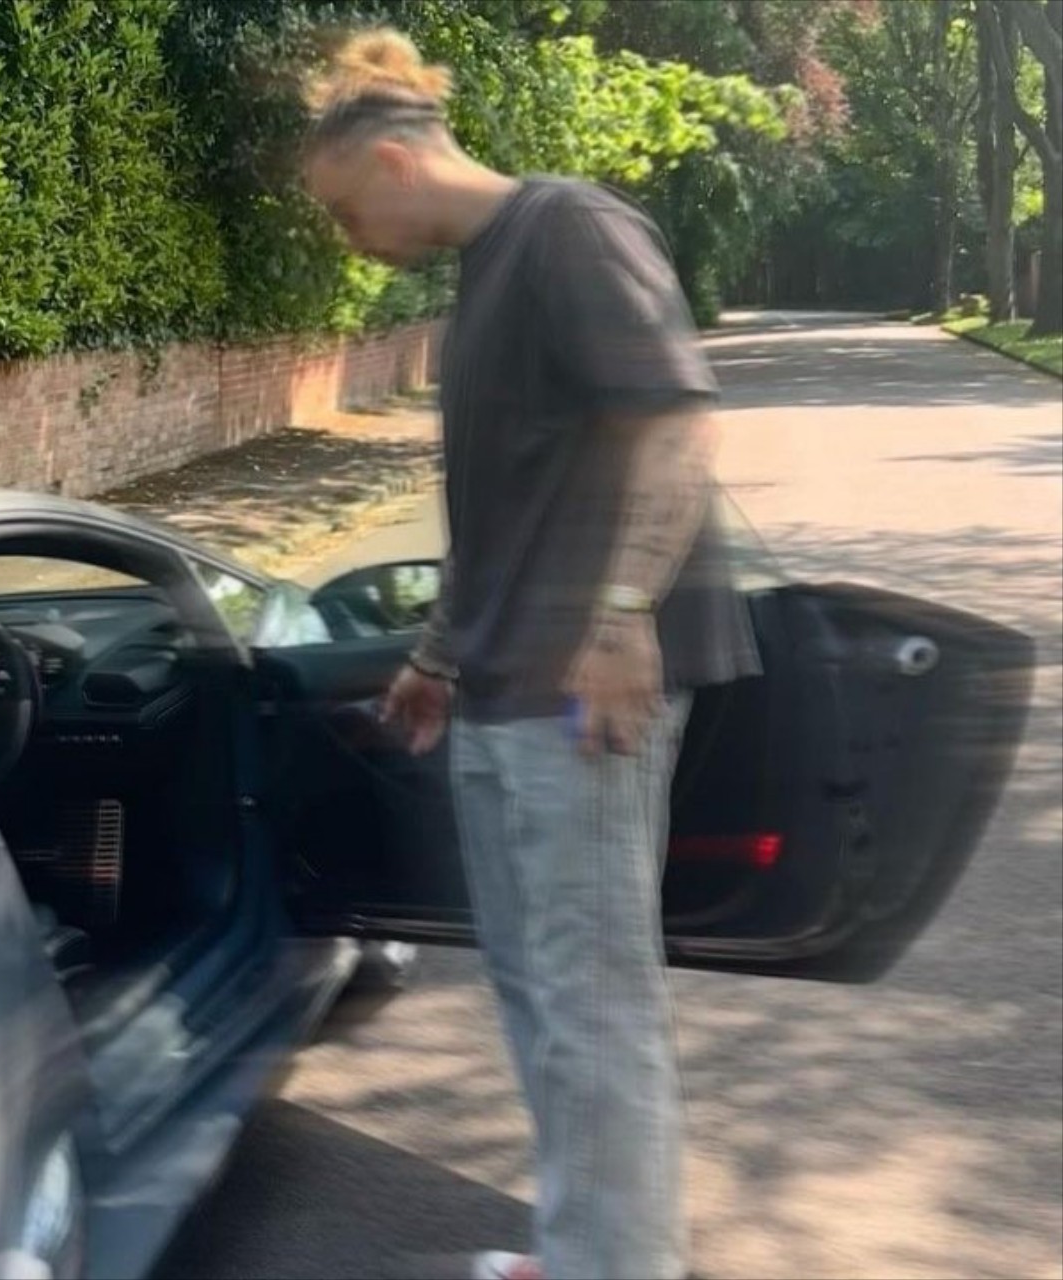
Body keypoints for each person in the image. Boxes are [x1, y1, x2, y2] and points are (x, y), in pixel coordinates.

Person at [298, 29, 760, 1280]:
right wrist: (437, 655)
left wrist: (621, 615)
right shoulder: (485, 280)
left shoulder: (570, 229)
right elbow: (503, 507)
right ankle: (584, 1244)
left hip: (579, 693)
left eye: (344, 211)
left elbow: (675, 426)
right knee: (538, 992)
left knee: (592, 1002)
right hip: (501, 688)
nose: (350, 241)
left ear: (394, 162)